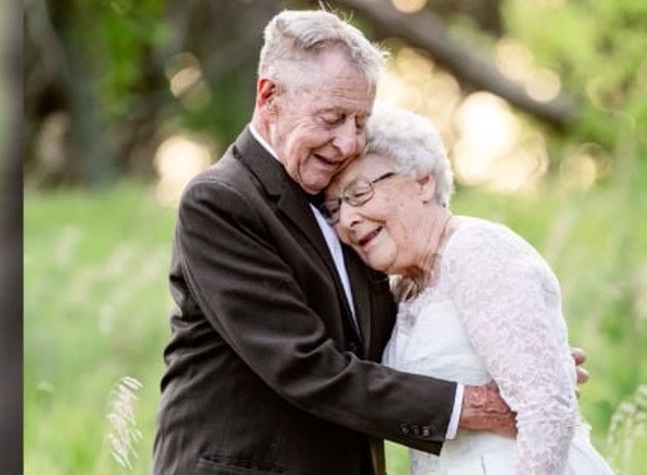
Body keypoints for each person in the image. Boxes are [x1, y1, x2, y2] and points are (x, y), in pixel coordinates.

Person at [152, 9, 588, 475]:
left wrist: (515, 353)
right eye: (332, 117)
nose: (347, 142)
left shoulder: (341, 209)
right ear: (269, 96)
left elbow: (387, 345)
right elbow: (304, 366)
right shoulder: (222, 202)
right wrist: (479, 403)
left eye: (359, 121)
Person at [323, 105, 615, 474]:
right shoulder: (404, 289)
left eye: (360, 193)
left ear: (423, 182)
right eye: (333, 208)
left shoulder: (475, 249)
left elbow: (548, 407)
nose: (347, 219)